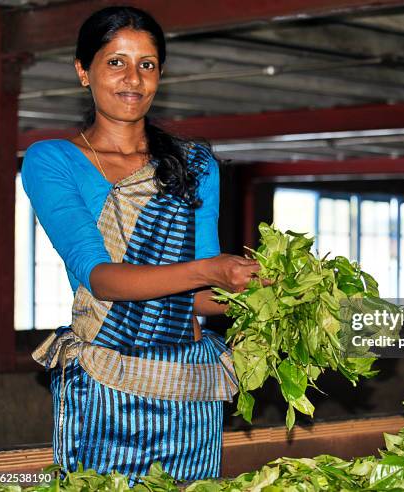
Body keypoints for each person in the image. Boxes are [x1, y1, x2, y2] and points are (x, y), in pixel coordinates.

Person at [21, 6, 258, 483]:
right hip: (106, 387)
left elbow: (201, 299)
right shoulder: (53, 161)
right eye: (115, 62)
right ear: (83, 71)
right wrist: (212, 270)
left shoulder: (194, 166)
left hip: (190, 388)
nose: (133, 78)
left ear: (160, 74)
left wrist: (268, 288)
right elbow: (101, 279)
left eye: (147, 64)